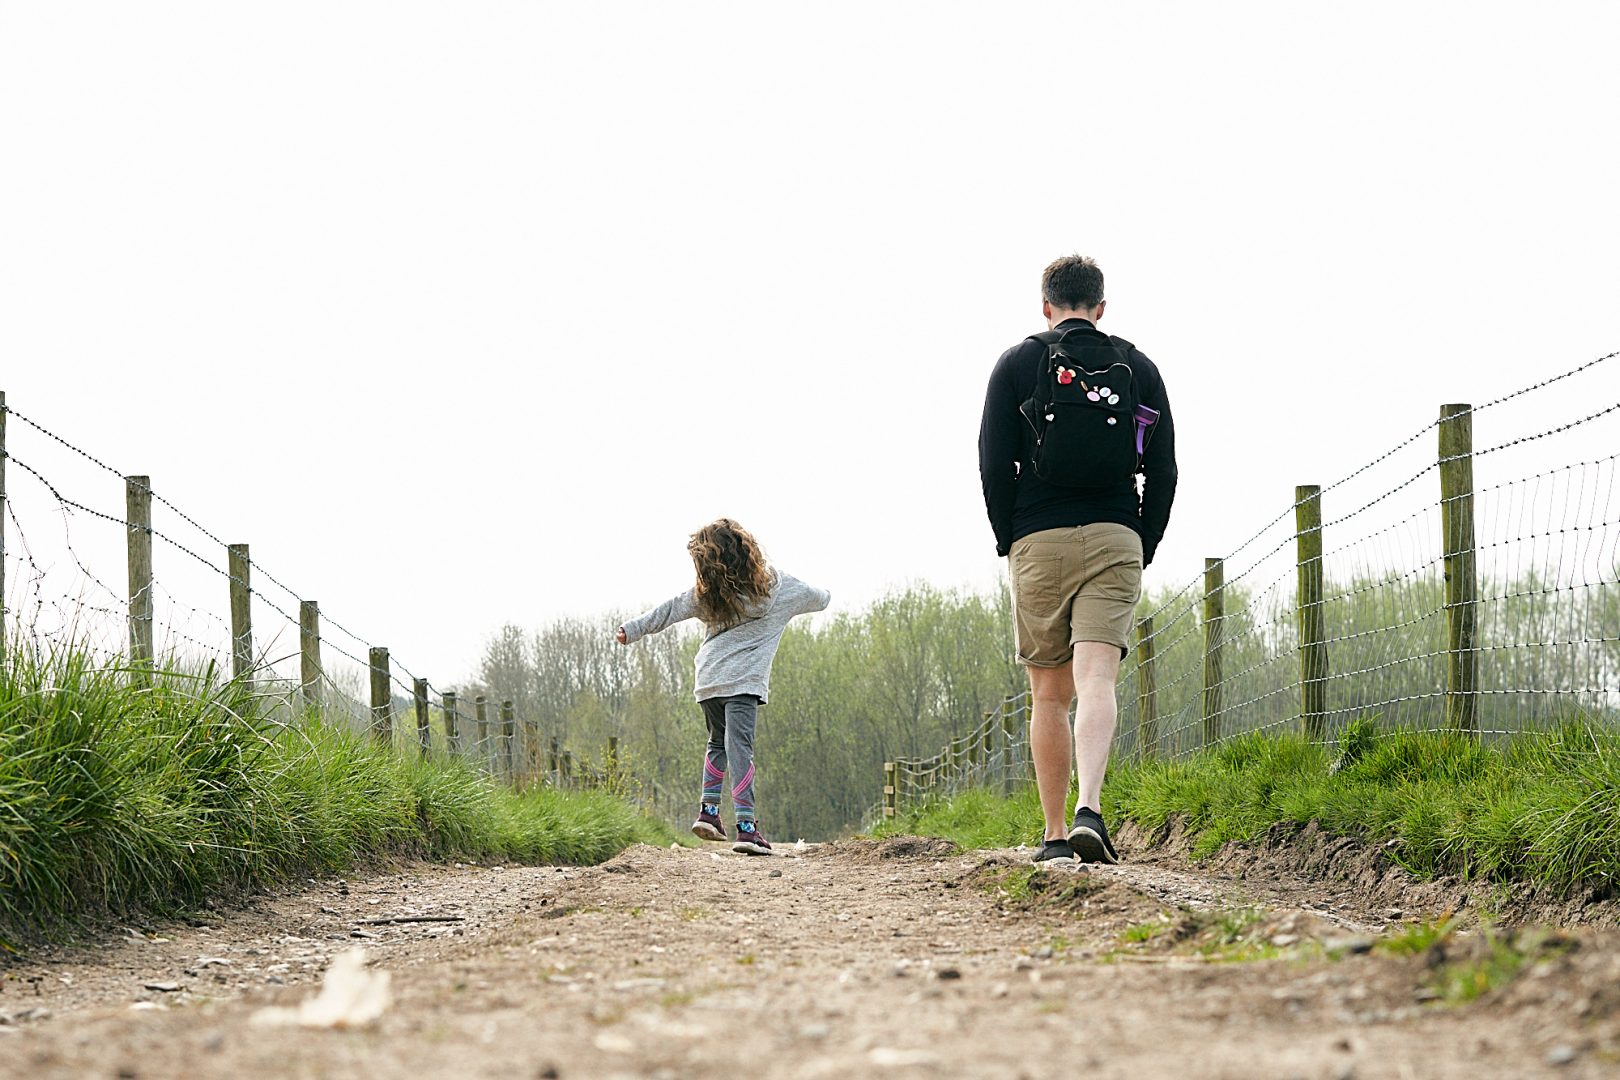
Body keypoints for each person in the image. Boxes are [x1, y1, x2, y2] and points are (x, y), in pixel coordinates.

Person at [978, 254, 1177, 864]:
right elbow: (1164, 470)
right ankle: (1092, 805)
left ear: (1045, 305)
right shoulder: (1137, 367)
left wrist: (1010, 538)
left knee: (1048, 694)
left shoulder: (1017, 363)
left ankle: (1056, 835)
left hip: (1040, 538)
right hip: (1117, 533)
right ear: (1101, 307)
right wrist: (1143, 541)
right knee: (1097, 678)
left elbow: (992, 462)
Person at [616, 518, 830, 855]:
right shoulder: (781, 588)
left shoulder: (709, 596)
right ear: (748, 552)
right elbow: (821, 598)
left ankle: (709, 812)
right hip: (743, 683)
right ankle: (747, 828)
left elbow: (668, 610)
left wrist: (632, 629)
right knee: (740, 747)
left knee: (718, 742)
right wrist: (824, 595)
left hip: (710, 680)